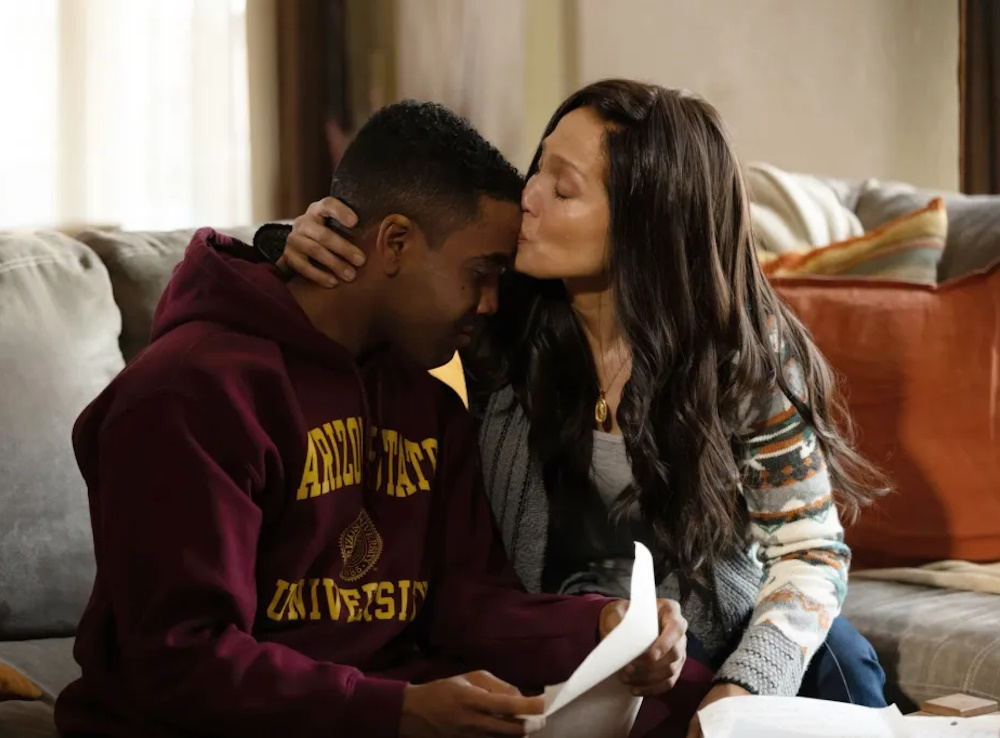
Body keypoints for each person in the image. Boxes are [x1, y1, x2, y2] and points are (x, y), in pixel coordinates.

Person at [55, 100, 700, 738]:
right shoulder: (189, 394)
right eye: (481, 273)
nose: (491, 304)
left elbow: (459, 599)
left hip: (390, 703)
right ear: (393, 243)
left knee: (688, 709)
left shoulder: (425, 398)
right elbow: (181, 659)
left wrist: (598, 625)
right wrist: (396, 711)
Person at [270, 80, 890, 736]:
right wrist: (292, 242)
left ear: (646, 223)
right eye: (537, 168)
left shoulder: (741, 354)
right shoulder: (500, 320)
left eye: (562, 190)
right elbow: (382, 292)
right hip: (564, 635)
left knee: (840, 663)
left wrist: (742, 688)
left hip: (706, 632)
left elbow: (810, 550)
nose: (528, 196)